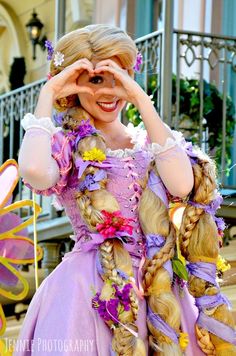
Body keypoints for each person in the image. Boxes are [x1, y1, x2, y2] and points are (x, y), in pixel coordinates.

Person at [14, 24, 236, 356]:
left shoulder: (153, 143)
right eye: (95, 80)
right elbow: (32, 170)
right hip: (89, 293)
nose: (108, 91)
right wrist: (49, 93)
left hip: (158, 291)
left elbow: (182, 184)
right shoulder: (66, 145)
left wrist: (140, 100)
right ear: (73, 85)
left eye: (118, 75)